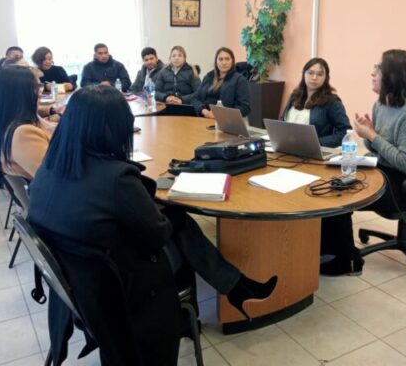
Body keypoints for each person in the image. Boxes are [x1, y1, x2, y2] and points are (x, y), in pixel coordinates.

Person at [27, 85, 278, 365]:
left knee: (177, 221)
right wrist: (163, 208)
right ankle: (230, 290)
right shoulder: (117, 178)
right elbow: (157, 235)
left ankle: (232, 289)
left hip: (78, 279)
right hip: (119, 283)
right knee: (180, 223)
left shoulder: (50, 167)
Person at [320, 49, 406, 276]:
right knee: (332, 182)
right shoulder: (382, 104)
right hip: (388, 170)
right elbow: (377, 148)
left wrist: (372, 135)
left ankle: (346, 262)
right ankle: (327, 253)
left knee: (341, 196)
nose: (373, 74)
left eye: (378, 69)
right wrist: (369, 134)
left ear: (394, 76)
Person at [0, 66, 56, 181]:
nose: (40, 93)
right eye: (36, 87)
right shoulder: (23, 133)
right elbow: (55, 179)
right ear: (20, 94)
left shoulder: (5, 122)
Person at [280, 58, 350, 147]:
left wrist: (317, 142)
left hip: (313, 150)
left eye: (320, 74)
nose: (314, 78)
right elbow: (282, 121)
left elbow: (344, 132)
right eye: (310, 73)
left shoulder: (332, 102)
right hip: (286, 146)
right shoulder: (294, 96)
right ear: (304, 74)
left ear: (326, 77)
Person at [191, 47, 251, 118]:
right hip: (204, 116)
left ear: (232, 61)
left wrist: (221, 114)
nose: (224, 62)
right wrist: (204, 111)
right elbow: (195, 98)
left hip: (225, 120)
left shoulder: (239, 80)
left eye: (227, 59)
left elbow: (245, 107)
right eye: (220, 59)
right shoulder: (209, 76)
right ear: (216, 62)